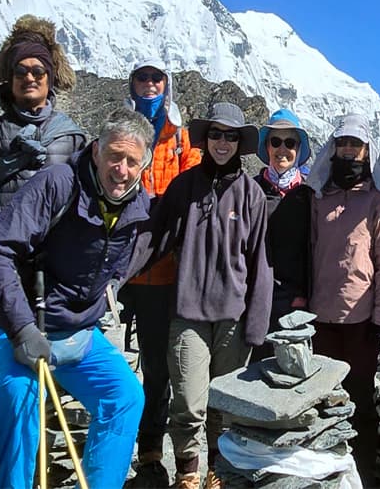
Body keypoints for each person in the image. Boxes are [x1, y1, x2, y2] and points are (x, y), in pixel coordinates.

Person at [0, 109, 155, 489]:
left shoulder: (138, 207)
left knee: (125, 397)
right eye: (114, 157)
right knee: (21, 395)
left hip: (77, 333)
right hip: (16, 329)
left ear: (144, 164)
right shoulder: (58, 183)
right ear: (95, 152)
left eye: (132, 161)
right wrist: (21, 328)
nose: (121, 170)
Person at [132, 102, 273, 489]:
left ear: (239, 142)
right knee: (190, 402)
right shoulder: (184, 187)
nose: (222, 142)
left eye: (230, 136)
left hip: (233, 317)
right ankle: (189, 473)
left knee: (221, 406)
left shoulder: (251, 195)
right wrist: (116, 274)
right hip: (188, 313)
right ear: (206, 138)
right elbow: (155, 240)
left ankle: (218, 471)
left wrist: (256, 326)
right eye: (215, 134)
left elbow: (261, 261)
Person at [120, 61, 202, 485]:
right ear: (131, 85)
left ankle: (186, 459)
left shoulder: (179, 135)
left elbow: (195, 182)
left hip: (176, 270)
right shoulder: (120, 131)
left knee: (179, 367)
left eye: (156, 79)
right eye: (142, 79)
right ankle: (149, 451)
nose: (149, 85)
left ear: (166, 85)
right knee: (151, 366)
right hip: (135, 273)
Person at [305, 114, 380, 486]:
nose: (348, 150)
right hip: (320, 317)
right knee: (324, 397)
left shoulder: (378, 200)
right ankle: (327, 473)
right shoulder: (319, 197)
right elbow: (309, 252)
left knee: (359, 397)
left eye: (355, 145)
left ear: (367, 150)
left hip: (361, 321)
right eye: (342, 143)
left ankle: (364, 475)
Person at [0, 15, 86, 230]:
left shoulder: (70, 135)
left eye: (38, 71)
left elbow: (81, 190)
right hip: (3, 245)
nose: (29, 78)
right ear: (11, 79)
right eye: (21, 71)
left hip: (53, 246)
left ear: (49, 77)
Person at [252, 108, 314, 359]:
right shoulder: (251, 190)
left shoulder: (309, 194)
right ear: (266, 147)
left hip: (294, 298)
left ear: (299, 149)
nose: (282, 149)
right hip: (255, 294)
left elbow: (313, 248)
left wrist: (303, 293)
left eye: (290, 142)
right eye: (275, 141)